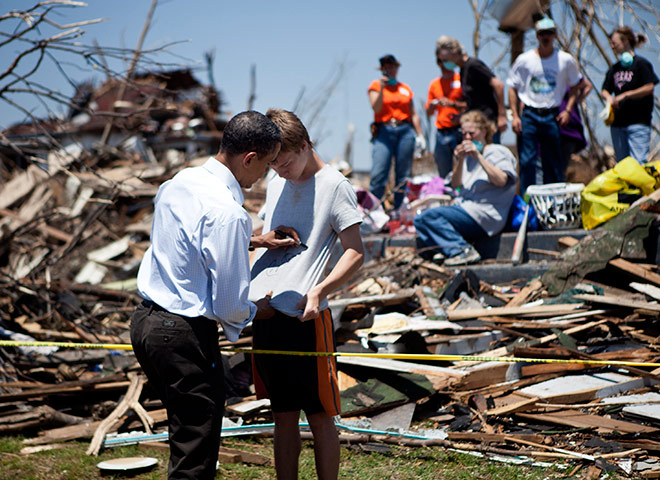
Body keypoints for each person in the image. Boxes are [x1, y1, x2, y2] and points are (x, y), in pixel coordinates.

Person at [131, 111, 290, 480]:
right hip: (183, 335)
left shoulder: (180, 183)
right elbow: (229, 305)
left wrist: (254, 240)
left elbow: (190, 238)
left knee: (184, 433)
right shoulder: (230, 214)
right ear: (249, 158)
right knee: (196, 454)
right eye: (266, 165)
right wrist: (259, 310)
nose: (265, 175)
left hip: (145, 323)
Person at [250, 108, 364, 480]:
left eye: (283, 163)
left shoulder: (335, 185)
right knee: (282, 415)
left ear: (304, 145)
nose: (278, 171)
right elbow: (267, 237)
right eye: (273, 165)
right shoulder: (277, 183)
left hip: (306, 317)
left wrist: (319, 291)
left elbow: (355, 251)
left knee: (319, 415)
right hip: (266, 314)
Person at [414, 110, 517, 266]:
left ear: (483, 131)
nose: (467, 137)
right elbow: (455, 184)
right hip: (465, 210)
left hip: (485, 214)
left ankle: (462, 251)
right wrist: (460, 160)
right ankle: (446, 250)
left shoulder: (496, 152)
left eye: (472, 133)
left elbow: (501, 180)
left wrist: (478, 156)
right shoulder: (467, 159)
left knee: (429, 217)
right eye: (464, 134)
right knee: (420, 221)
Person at [507, 17, 582, 194]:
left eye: (549, 33)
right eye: (542, 33)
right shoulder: (525, 60)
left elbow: (576, 85)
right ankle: (528, 202)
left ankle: (553, 200)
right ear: (537, 36)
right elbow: (512, 86)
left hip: (552, 115)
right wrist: (515, 116)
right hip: (529, 114)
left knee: (552, 161)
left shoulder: (565, 60)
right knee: (527, 160)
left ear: (555, 35)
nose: (545, 37)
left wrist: (568, 110)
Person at [368, 54, 425, 211]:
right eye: (386, 67)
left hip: (405, 131)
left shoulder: (405, 89)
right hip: (384, 130)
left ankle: (400, 211)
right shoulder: (375, 86)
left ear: (397, 68)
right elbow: (376, 107)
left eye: (392, 66)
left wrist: (420, 135)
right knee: (379, 173)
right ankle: (374, 211)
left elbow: (413, 113)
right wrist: (381, 87)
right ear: (382, 69)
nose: (390, 70)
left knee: (403, 174)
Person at [601, 26, 659, 164]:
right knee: (622, 165)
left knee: (638, 163)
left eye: (614, 43)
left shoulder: (641, 64)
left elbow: (649, 87)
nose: (612, 46)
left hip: (638, 122)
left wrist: (626, 95)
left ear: (626, 41)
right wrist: (609, 98)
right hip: (618, 124)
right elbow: (605, 90)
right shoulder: (615, 68)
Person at [435, 35, 508, 143]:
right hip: (475, 123)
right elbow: (473, 101)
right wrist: (460, 116)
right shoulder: (463, 70)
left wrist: (502, 115)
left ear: (455, 52)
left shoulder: (473, 65)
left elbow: (498, 85)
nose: (445, 63)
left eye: (445, 59)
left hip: (488, 122)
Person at [426, 47, 466, 177]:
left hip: (459, 130)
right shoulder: (434, 84)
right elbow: (428, 112)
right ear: (439, 62)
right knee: (444, 172)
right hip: (441, 132)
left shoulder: (461, 79)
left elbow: (469, 104)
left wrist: (453, 105)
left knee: (463, 168)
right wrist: (433, 105)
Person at [559, 77, 592, 175]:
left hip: (568, 128)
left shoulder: (568, 73)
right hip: (547, 123)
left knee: (561, 167)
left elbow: (588, 85)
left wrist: (578, 100)